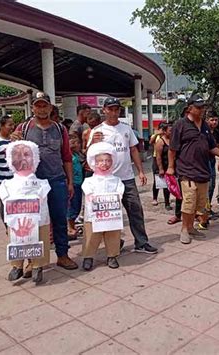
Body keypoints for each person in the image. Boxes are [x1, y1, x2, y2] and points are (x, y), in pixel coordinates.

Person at [12, 92, 78, 270]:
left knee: (59, 219)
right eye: (38, 105)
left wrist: (70, 182)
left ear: (50, 107)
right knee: (31, 221)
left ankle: (63, 255)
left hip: (57, 180)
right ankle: (31, 261)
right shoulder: (23, 128)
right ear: (33, 107)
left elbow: (66, 157)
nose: (41, 109)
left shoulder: (60, 129)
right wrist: (12, 141)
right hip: (32, 184)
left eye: (44, 105)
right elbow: (13, 156)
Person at [88, 97, 157, 253]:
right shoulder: (97, 130)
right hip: (106, 181)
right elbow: (90, 155)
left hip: (126, 178)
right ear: (104, 110)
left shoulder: (126, 129)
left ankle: (141, 242)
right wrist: (93, 143)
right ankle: (114, 242)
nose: (113, 112)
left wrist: (140, 171)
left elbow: (133, 150)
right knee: (109, 214)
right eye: (110, 109)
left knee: (135, 210)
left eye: (116, 109)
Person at [167, 94, 219, 244]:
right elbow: (172, 148)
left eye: (203, 107)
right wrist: (170, 167)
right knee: (189, 202)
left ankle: (191, 228)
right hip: (187, 170)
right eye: (199, 107)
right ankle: (184, 229)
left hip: (203, 171)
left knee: (199, 205)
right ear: (190, 108)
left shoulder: (205, 126)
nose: (202, 110)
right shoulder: (180, 125)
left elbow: (211, 146)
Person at [0, 141, 51, 283]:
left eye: (27, 154)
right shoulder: (7, 184)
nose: (22, 158)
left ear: (35, 158)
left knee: (40, 240)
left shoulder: (42, 183)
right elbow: (4, 197)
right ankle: (17, 266)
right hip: (16, 221)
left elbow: (42, 196)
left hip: (38, 220)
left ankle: (37, 266)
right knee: (16, 240)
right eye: (17, 154)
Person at [82, 142, 124, 270]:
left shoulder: (116, 180)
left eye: (107, 160)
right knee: (91, 235)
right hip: (94, 215)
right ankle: (88, 257)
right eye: (101, 161)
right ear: (94, 162)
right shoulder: (90, 180)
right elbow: (87, 190)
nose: (104, 163)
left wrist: (117, 197)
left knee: (113, 234)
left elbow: (120, 191)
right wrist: (90, 196)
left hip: (111, 215)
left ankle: (112, 256)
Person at [67, 135, 84, 239]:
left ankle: (72, 226)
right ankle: (70, 227)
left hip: (78, 183)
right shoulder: (69, 157)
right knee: (72, 206)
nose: (79, 145)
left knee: (77, 205)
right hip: (73, 184)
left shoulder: (76, 155)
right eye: (76, 143)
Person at [153, 123, 172, 210]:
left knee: (168, 185)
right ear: (164, 131)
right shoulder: (160, 141)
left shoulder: (172, 140)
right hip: (161, 165)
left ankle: (167, 202)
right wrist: (160, 169)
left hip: (169, 165)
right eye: (170, 131)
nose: (171, 132)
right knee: (161, 183)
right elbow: (158, 156)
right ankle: (158, 199)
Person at [205, 111, 219, 216]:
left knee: (212, 185)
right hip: (203, 161)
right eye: (212, 120)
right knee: (206, 186)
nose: (214, 122)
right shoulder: (203, 131)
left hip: (212, 160)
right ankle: (203, 209)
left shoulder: (216, 132)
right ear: (207, 120)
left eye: (216, 120)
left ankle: (208, 207)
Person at [151, 123, 166, 206]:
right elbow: (151, 142)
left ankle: (166, 201)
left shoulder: (167, 137)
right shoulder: (156, 136)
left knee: (166, 181)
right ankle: (154, 197)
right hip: (155, 158)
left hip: (165, 159)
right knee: (156, 179)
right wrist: (157, 134)